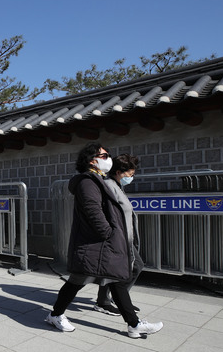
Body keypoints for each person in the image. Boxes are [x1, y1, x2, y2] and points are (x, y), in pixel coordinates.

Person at [45, 143, 163, 338]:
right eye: (105, 155)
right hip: (95, 242)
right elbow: (93, 211)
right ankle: (55, 314)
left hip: (103, 242)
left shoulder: (97, 179)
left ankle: (133, 324)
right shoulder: (87, 182)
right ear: (93, 160)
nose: (109, 158)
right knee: (76, 281)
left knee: (115, 279)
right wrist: (109, 233)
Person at [94, 154, 142, 315]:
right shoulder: (109, 185)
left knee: (119, 270)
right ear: (119, 172)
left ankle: (112, 299)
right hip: (117, 237)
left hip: (124, 236)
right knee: (132, 267)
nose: (132, 177)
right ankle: (115, 299)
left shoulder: (116, 185)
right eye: (130, 174)